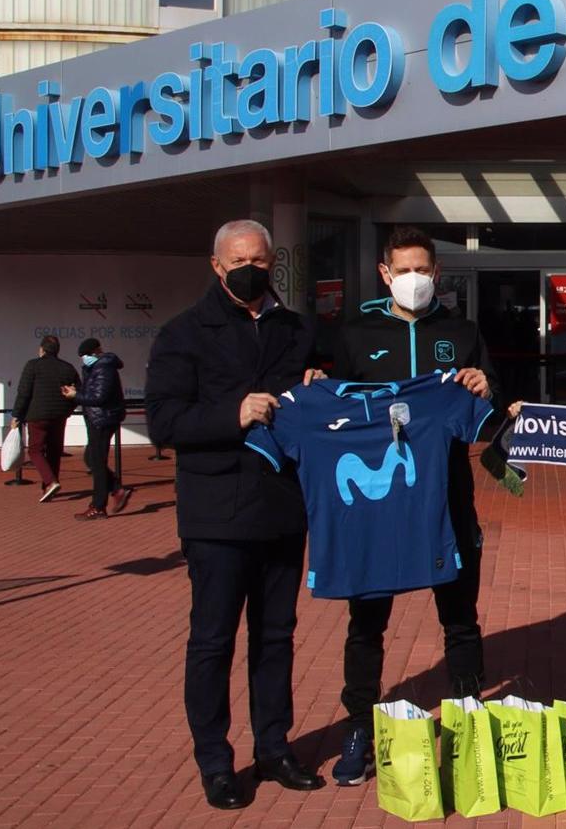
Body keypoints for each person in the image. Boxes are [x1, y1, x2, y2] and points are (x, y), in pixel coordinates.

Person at [146, 219, 324, 809]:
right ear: (217, 266)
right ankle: (216, 762)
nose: (251, 270)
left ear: (273, 263)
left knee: (276, 637)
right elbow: (165, 422)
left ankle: (274, 748)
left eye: (260, 261)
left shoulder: (298, 329)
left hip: (282, 508)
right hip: (216, 515)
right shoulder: (182, 333)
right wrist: (234, 413)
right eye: (239, 261)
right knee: (213, 641)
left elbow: (320, 405)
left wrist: (320, 383)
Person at [324, 226, 497, 786]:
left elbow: (490, 418)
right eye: (404, 270)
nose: (414, 279)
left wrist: (485, 388)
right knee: (366, 624)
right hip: (376, 506)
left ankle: (467, 721)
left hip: (447, 498)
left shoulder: (462, 331)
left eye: (423, 269)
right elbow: (331, 412)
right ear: (385, 273)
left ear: (437, 273)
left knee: (461, 619)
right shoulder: (355, 335)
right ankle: (358, 726)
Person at [62, 338, 133, 520]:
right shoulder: (95, 368)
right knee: (91, 458)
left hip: (103, 419)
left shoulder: (104, 368)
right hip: (97, 419)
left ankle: (98, 506)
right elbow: (92, 392)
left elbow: (99, 397)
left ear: (95, 352)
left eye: (86, 355)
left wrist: (76, 396)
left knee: (97, 462)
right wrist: (77, 391)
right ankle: (116, 489)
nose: (84, 359)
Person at [12, 335, 79, 502]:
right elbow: (78, 392)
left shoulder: (33, 366)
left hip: (37, 415)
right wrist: (68, 410)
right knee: (54, 451)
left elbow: (24, 393)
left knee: (35, 450)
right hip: (59, 416)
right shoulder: (68, 368)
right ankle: (48, 487)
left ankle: (50, 482)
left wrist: (17, 414)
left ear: (42, 349)